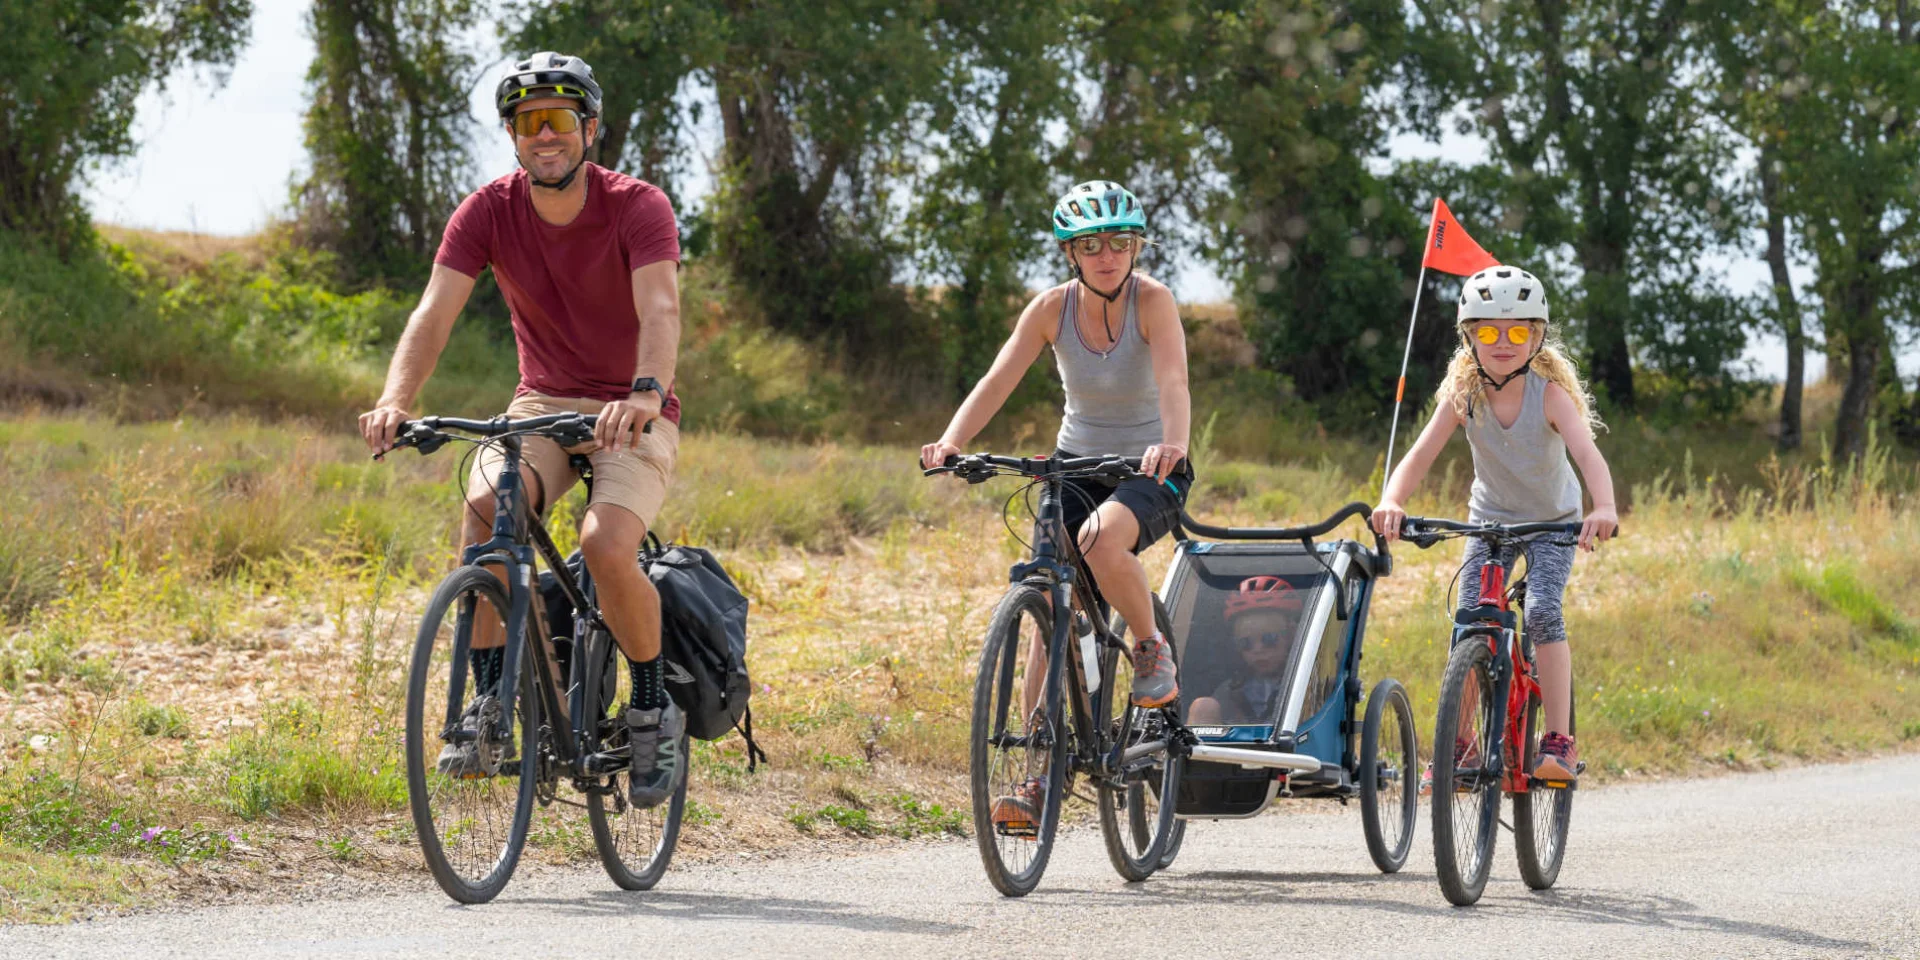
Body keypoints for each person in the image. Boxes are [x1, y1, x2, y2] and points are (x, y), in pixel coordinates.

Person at [357, 52, 686, 808]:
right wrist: (395, 399)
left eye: (559, 120)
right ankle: (487, 705)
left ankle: (648, 703)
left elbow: (661, 309)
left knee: (605, 545)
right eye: (529, 122)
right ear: (511, 134)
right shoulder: (487, 211)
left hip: (632, 408)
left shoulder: (637, 205)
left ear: (589, 129)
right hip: (540, 403)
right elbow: (433, 312)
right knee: (484, 518)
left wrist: (644, 391)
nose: (545, 135)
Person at [920, 179, 1191, 827]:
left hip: (1152, 466)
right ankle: (1040, 772)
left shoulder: (1154, 302)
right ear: (1070, 252)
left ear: (1136, 247)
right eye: (1091, 245)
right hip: (1074, 466)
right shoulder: (1050, 309)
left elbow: (1173, 378)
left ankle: (1151, 647)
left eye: (1120, 243)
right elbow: (999, 377)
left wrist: (1173, 442)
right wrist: (954, 442)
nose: (1107, 256)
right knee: (1046, 598)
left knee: (1100, 539)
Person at [1370, 266, 1618, 786]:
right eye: (1487, 331)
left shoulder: (1549, 396)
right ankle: (1460, 744)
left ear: (1537, 337)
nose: (1502, 342)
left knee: (1545, 610)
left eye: (1517, 331)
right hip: (1490, 519)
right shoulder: (1464, 396)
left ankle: (1559, 740)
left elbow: (1588, 456)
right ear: (1468, 337)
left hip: (1553, 522)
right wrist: (1392, 499)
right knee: (1469, 617)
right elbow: (1418, 457)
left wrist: (1604, 507)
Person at [1188, 577, 1302, 725]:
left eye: (1269, 639)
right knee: (1203, 707)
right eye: (1245, 643)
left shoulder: (1305, 683)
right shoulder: (1229, 691)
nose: (1258, 649)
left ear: (1292, 635)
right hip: (1236, 748)